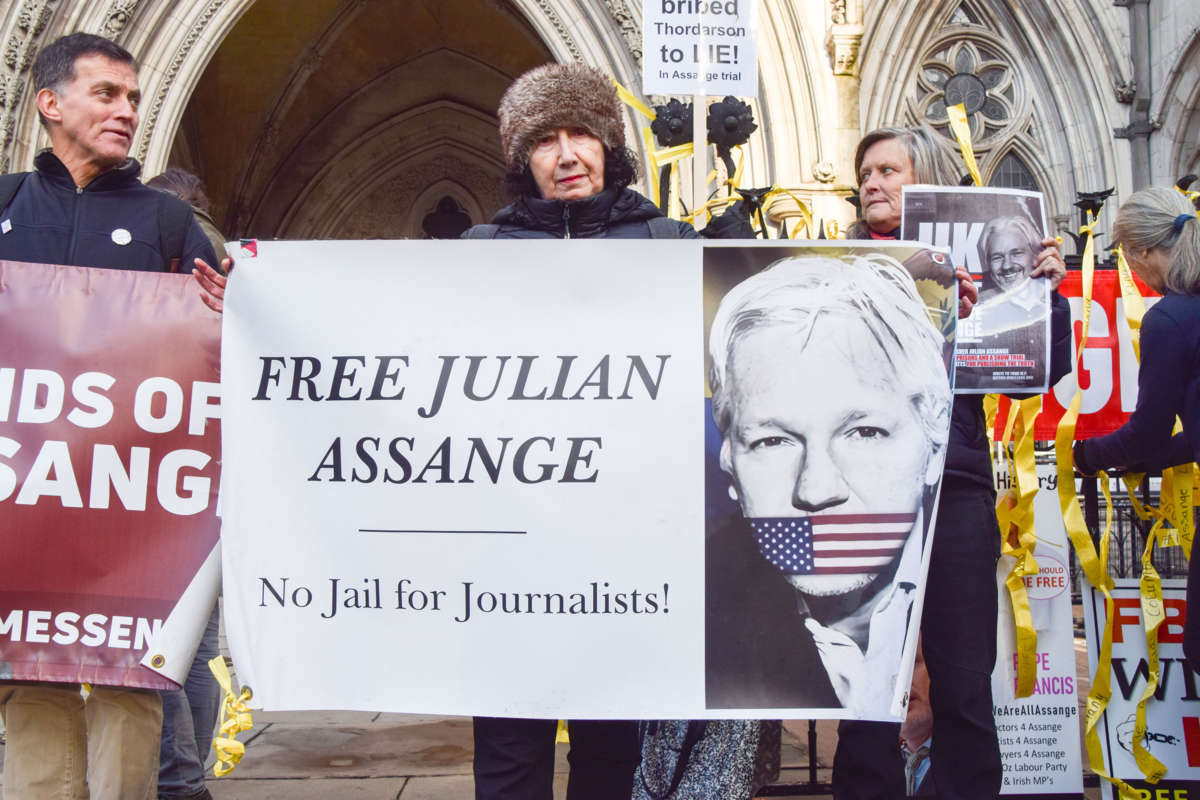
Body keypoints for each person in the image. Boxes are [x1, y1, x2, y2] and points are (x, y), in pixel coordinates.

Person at [459, 62, 696, 800]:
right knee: (508, 748)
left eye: (581, 135)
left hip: (623, 546)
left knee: (609, 754)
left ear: (609, 144)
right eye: (545, 141)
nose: (566, 154)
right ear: (520, 160)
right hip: (509, 545)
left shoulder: (668, 242)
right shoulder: (480, 251)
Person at [0, 33, 219, 800]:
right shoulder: (3, 205)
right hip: (21, 505)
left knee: (131, 696)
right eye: (107, 94)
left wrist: (230, 309)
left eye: (133, 97)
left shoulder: (165, 223)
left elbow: (220, 344)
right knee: (27, 690)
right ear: (50, 104)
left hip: (129, 510)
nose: (127, 111)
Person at [834, 125, 1072, 800]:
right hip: (866, 495)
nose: (872, 184)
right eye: (866, 174)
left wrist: (1044, 295)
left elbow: (1031, 378)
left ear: (926, 181)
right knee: (868, 691)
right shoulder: (836, 262)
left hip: (956, 488)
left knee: (965, 685)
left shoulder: (985, 260)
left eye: (888, 170)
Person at [704, 254, 952, 717]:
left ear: (934, 443)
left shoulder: (959, 592)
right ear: (729, 464)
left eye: (864, 432)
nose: (816, 490)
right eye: (773, 440)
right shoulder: (700, 624)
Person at [1072, 186, 1200, 672]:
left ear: (1143, 251)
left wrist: (1085, 456)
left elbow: (1147, 431)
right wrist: (1149, 460)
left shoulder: (1171, 318)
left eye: (1125, 253)